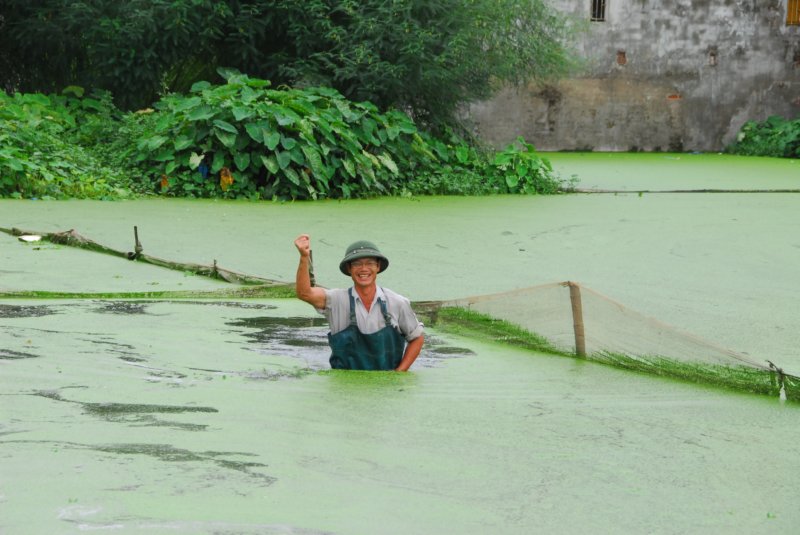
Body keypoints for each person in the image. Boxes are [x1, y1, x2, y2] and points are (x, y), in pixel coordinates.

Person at [294, 234, 424, 371]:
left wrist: (399, 373)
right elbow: (305, 293)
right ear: (349, 269)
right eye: (357, 264)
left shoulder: (397, 302)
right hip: (344, 387)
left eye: (370, 263)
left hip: (387, 388)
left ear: (378, 267)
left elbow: (417, 338)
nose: (363, 269)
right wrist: (304, 257)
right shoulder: (336, 300)